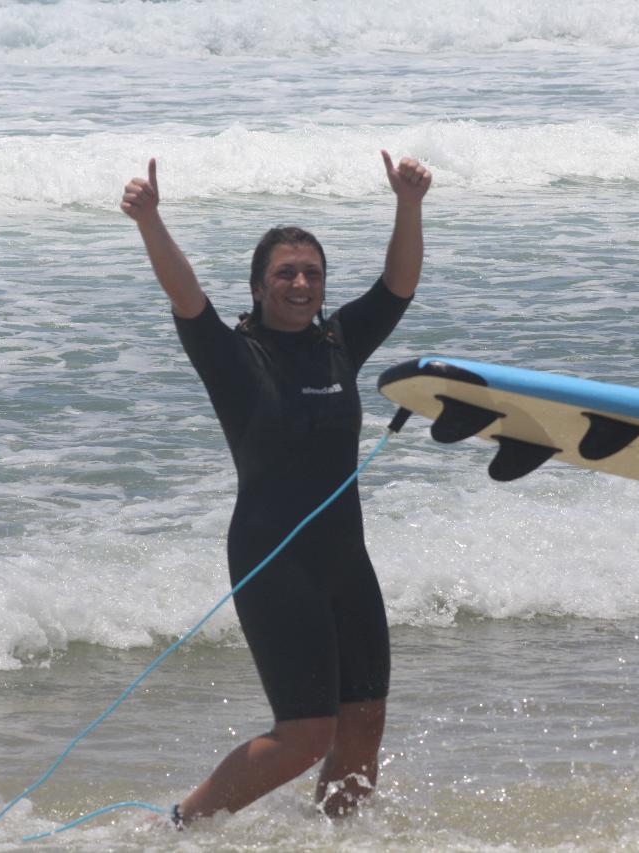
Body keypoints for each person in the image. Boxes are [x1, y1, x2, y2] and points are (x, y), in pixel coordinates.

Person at [120, 150, 432, 826]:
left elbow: (398, 285)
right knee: (305, 731)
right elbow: (186, 296)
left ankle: (334, 836)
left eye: (312, 273)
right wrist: (150, 219)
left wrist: (408, 205)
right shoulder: (233, 355)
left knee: (365, 718)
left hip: (347, 561)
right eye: (285, 273)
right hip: (273, 560)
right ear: (259, 286)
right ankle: (183, 826)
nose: (300, 283)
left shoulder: (338, 342)